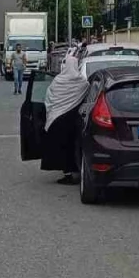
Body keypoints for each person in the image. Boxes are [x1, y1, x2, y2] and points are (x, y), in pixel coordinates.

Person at [42, 48, 89, 183]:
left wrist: (51, 110)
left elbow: (49, 97)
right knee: (72, 146)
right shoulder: (81, 82)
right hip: (73, 120)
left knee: (62, 147)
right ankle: (75, 170)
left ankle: (68, 173)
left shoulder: (58, 80)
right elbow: (87, 92)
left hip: (57, 119)